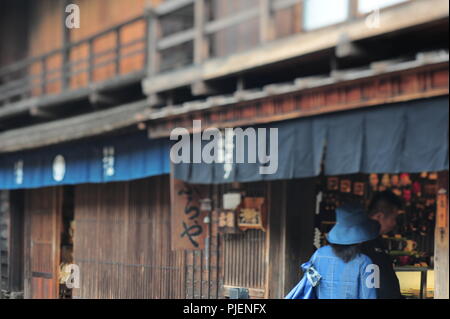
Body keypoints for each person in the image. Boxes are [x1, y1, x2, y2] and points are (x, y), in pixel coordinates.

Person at [306, 202, 380, 299]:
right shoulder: (366, 262)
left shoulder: (318, 255)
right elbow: (369, 296)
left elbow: (309, 289)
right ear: (362, 237)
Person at [363, 190, 403, 299]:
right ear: (379, 216)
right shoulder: (359, 242)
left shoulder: (377, 240)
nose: (394, 223)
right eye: (393, 218)